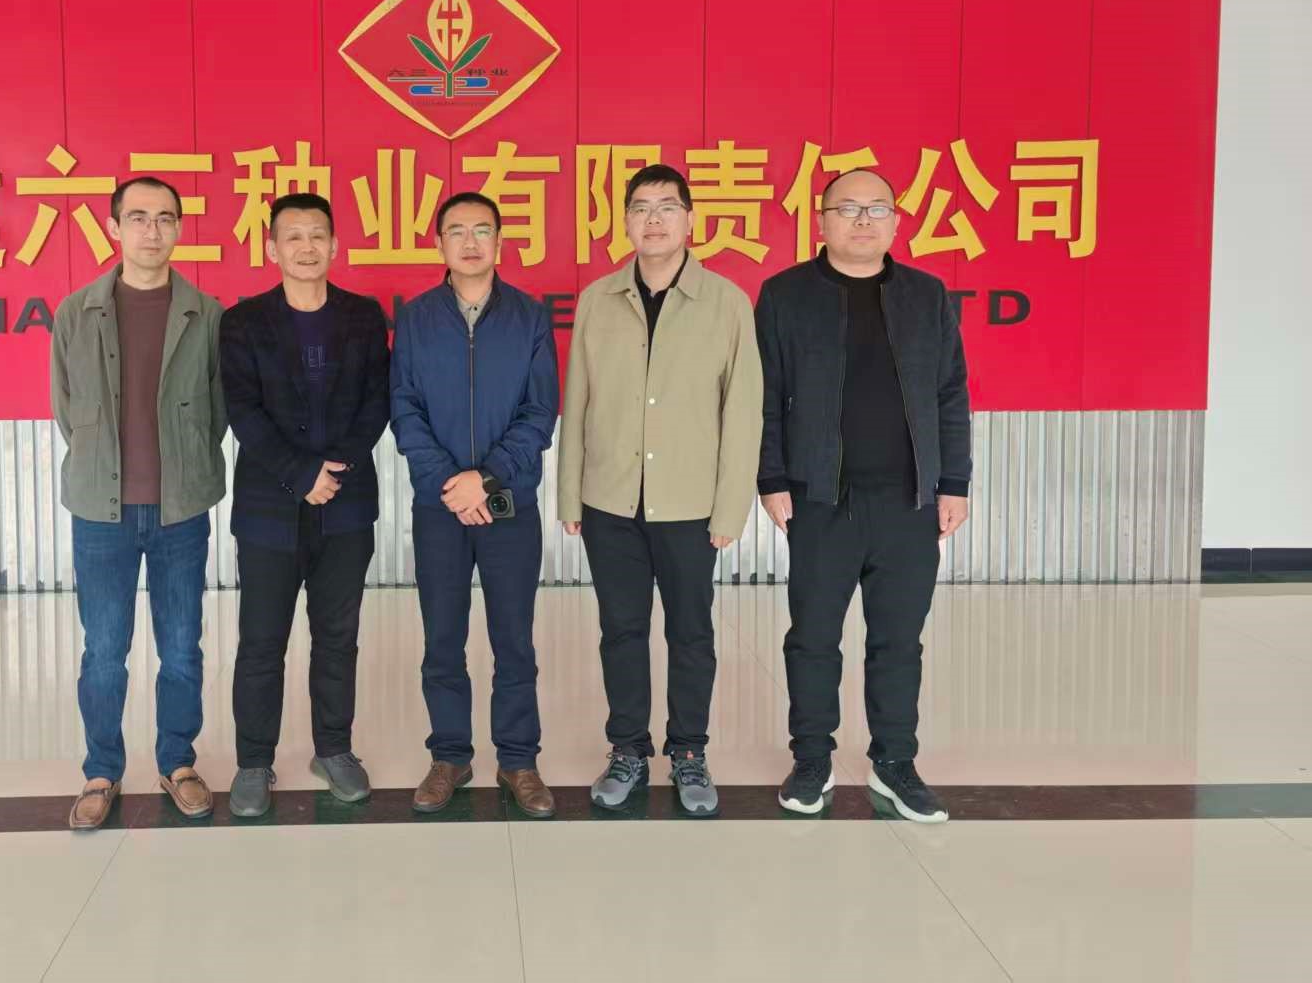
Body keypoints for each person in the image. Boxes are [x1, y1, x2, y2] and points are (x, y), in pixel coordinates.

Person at [755, 167, 972, 824]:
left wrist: (954, 483)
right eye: (847, 208)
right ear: (821, 221)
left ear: (896, 222)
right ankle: (811, 759)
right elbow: (764, 395)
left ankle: (895, 761)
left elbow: (951, 394)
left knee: (899, 640)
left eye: (876, 209)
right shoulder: (786, 294)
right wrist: (771, 477)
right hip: (821, 497)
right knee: (813, 637)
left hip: (909, 501)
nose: (862, 220)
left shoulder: (926, 296)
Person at [558, 164, 762, 816]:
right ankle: (627, 749)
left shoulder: (726, 303)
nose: (654, 219)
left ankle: (690, 751)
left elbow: (744, 412)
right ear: (625, 220)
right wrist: (569, 495)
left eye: (667, 206)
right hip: (610, 500)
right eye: (641, 207)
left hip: (690, 503)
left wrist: (731, 508)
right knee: (621, 629)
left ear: (690, 219)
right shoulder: (598, 300)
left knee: (691, 632)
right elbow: (578, 399)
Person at [52, 176, 227, 830]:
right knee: (104, 648)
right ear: (114, 228)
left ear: (179, 227)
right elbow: (67, 408)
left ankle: (177, 761)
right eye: (138, 218)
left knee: (182, 645)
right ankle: (101, 769)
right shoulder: (77, 312)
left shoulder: (205, 314)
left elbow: (217, 411)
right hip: (102, 513)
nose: (152, 231)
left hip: (181, 509)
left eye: (165, 219)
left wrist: (181, 464)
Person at [218, 193, 391, 817]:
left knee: (337, 637)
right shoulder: (242, 322)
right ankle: (253, 761)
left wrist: (331, 472)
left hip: (345, 506)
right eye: (293, 236)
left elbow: (377, 401)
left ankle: (334, 749)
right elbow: (243, 411)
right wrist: (300, 474)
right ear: (272, 248)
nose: (306, 246)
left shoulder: (363, 316)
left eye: (317, 235)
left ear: (335, 245)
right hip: (269, 509)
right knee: (261, 642)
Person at [389, 192, 560, 818]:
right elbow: (404, 409)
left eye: (482, 230)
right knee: (443, 637)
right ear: (438, 243)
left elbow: (540, 411)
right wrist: (451, 485)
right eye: (456, 230)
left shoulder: (529, 317)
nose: (469, 241)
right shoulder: (416, 319)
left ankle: (518, 759)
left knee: (514, 638)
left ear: (500, 241)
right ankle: (450, 756)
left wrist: (484, 479)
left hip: (509, 503)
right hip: (439, 508)